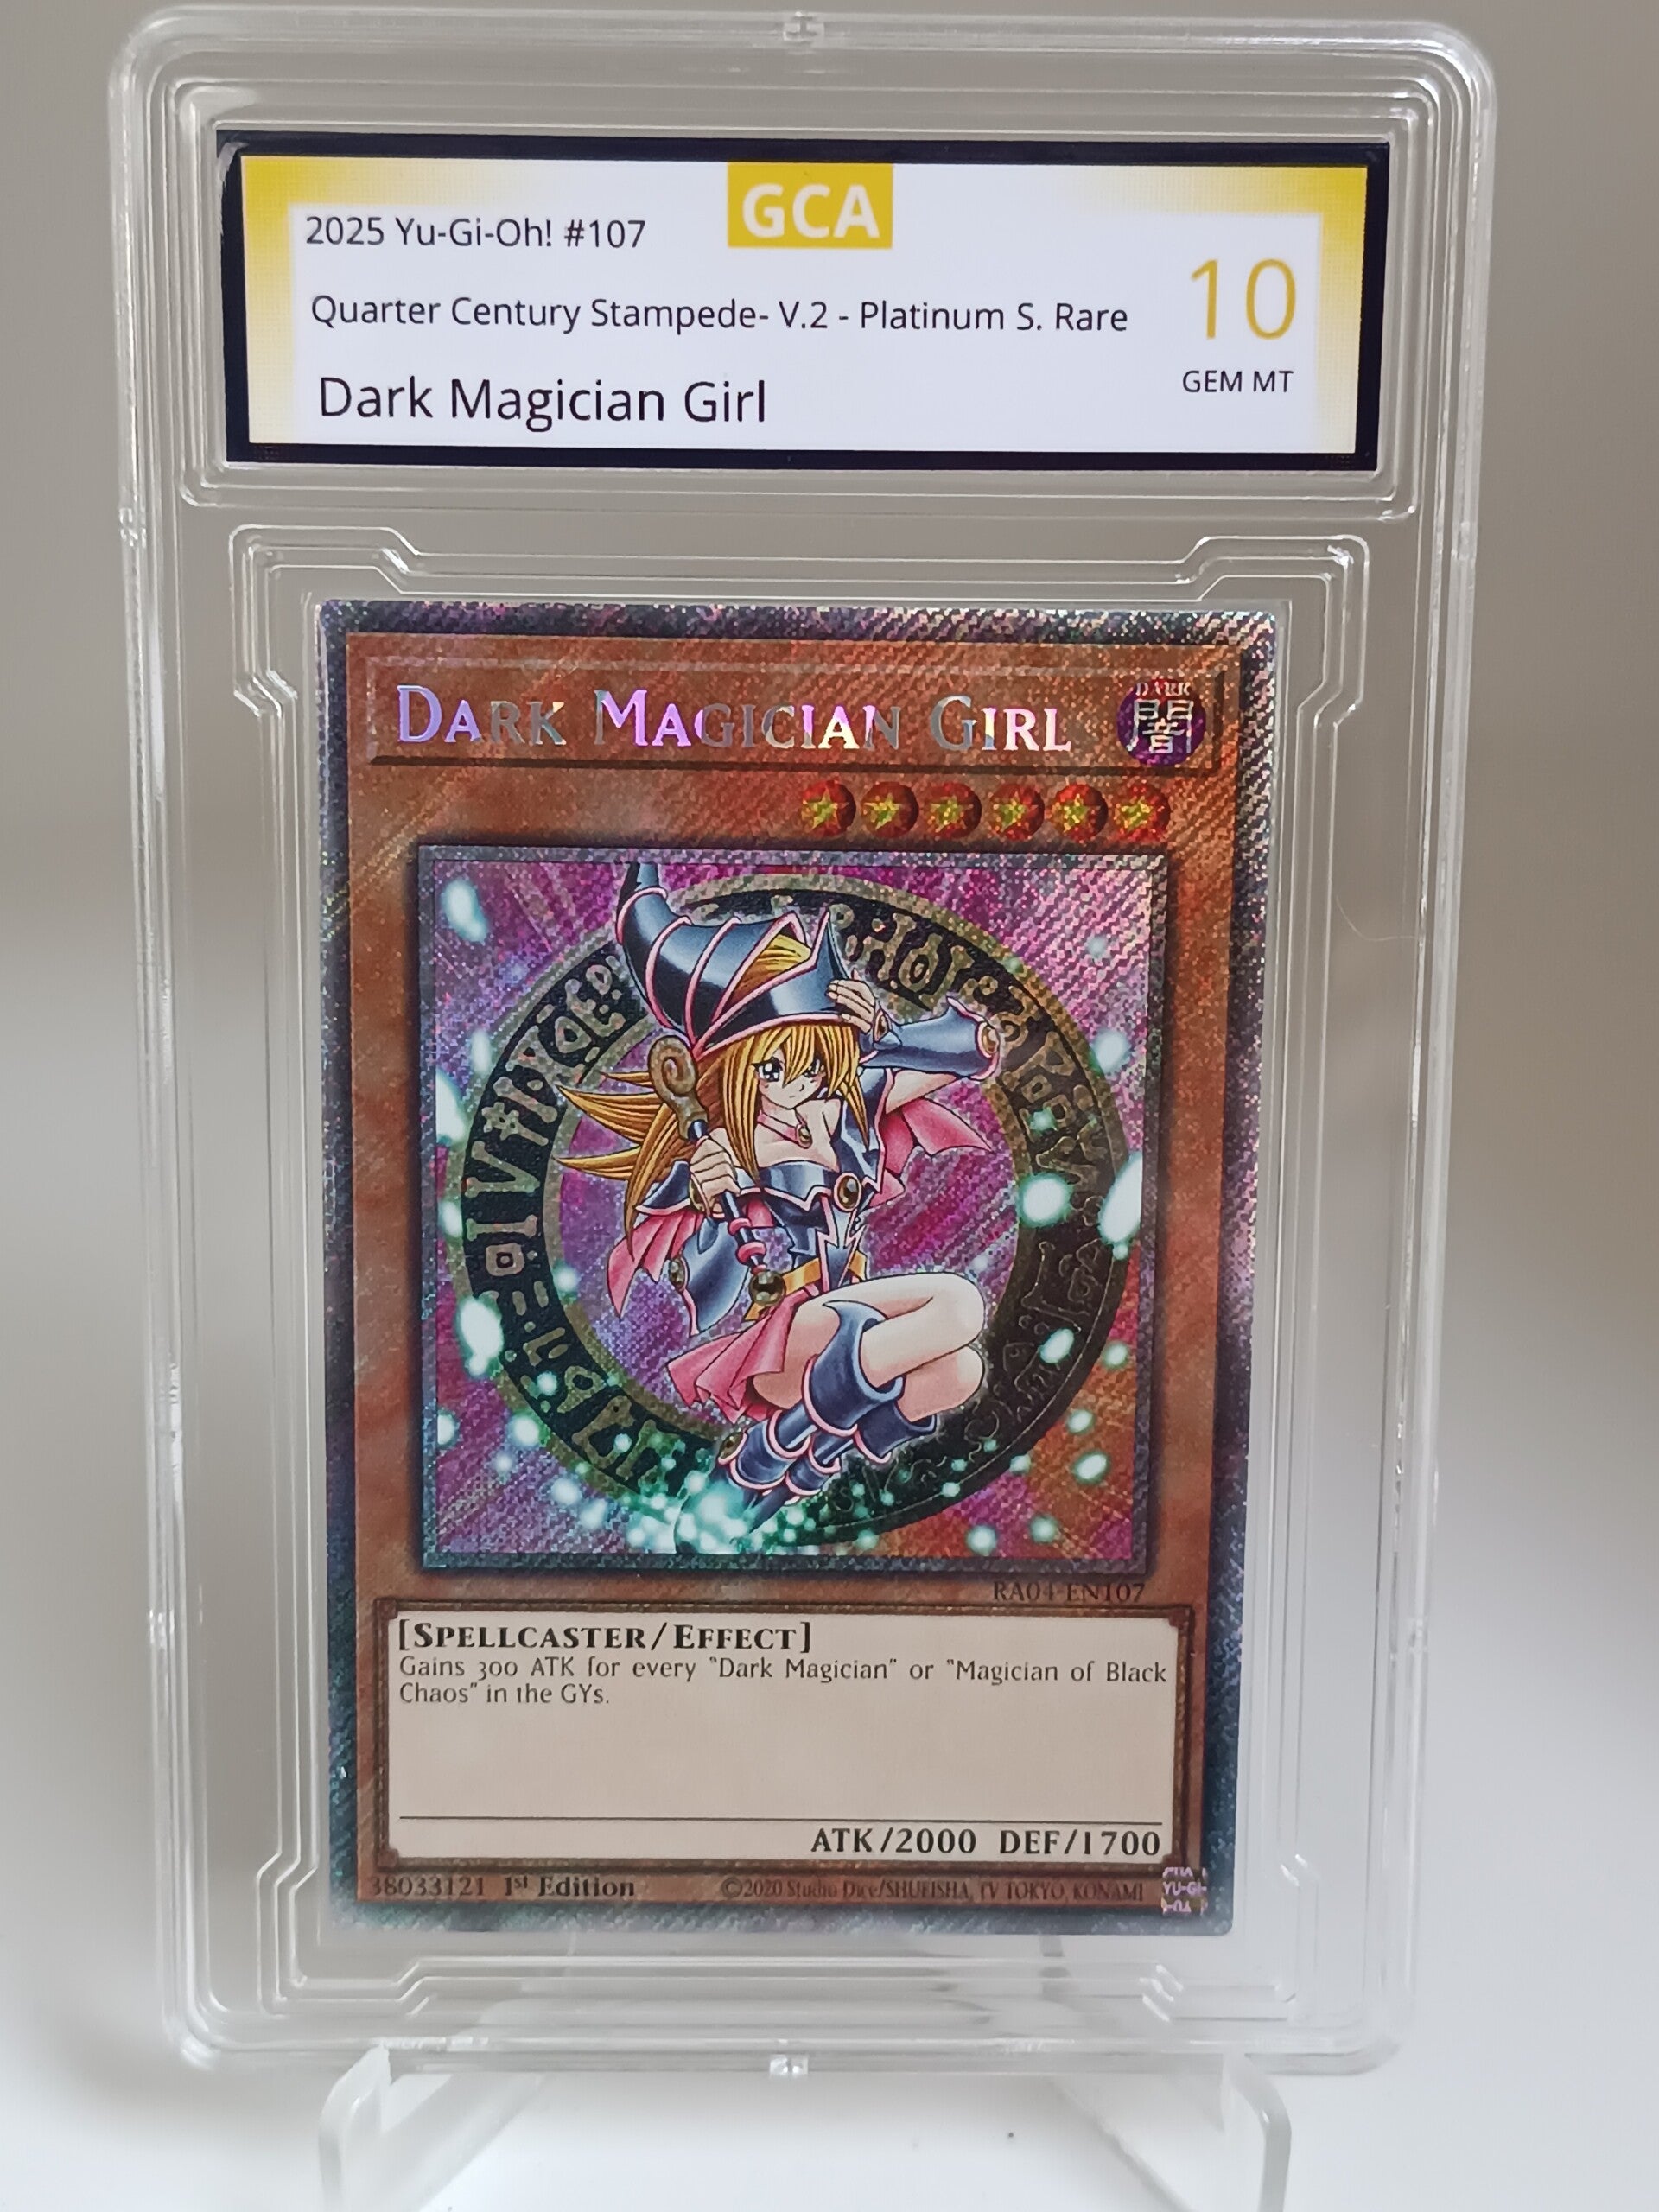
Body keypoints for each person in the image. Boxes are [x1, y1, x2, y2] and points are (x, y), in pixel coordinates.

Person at [561, 861, 1001, 1528]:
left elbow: (971, 1050)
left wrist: (882, 1036)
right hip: (786, 1336)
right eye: (775, 1067)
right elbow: (697, 1247)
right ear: (738, 1070)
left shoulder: (846, 1112)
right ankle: (762, 1457)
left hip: (845, 1334)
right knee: (959, 1303)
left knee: (959, 1374)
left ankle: (781, 1475)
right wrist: (707, 1193)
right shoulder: (728, 1147)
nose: (799, 1083)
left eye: (815, 1063)